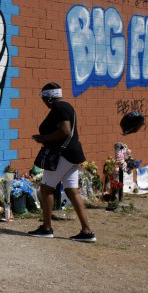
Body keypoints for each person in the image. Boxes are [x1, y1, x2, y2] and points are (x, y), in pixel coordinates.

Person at [27, 82, 96, 242]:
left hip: (62, 155)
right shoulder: (66, 107)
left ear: (50, 98)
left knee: (46, 189)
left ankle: (46, 228)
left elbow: (64, 131)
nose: (43, 102)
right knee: (72, 192)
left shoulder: (59, 108)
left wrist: (43, 138)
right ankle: (87, 231)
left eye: (44, 98)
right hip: (73, 155)